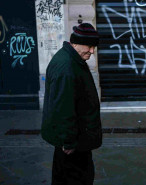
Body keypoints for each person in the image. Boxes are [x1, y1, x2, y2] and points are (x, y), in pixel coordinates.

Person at [41, 23, 102, 185]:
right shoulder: (67, 67)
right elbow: (63, 107)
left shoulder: (70, 59)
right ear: (75, 43)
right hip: (73, 143)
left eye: (94, 46)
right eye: (89, 46)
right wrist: (68, 141)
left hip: (76, 139)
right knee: (75, 179)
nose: (92, 51)